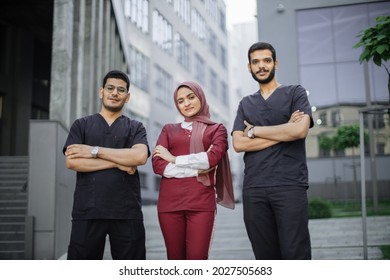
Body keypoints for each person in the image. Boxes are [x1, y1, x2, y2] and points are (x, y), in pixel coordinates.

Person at [231, 42, 313, 260]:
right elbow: (238, 144)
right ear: (249, 67)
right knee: (265, 257)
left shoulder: (295, 92)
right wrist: (285, 129)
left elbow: (300, 130)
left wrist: (255, 131)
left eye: (266, 60)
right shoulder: (246, 103)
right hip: (254, 188)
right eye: (255, 62)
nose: (261, 66)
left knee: (295, 252)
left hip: (289, 185)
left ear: (275, 63)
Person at [63, 70, 150, 260]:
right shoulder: (81, 125)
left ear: (127, 97)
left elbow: (140, 157)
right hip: (88, 211)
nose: (115, 93)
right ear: (101, 91)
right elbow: (72, 161)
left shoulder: (136, 127)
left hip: (127, 212)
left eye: (121, 90)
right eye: (110, 88)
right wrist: (119, 162)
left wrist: (94, 151)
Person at [152, 81, 234, 260]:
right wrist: (197, 171)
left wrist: (174, 159)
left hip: (201, 205)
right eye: (180, 101)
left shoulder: (216, 129)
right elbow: (158, 164)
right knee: (175, 259)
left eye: (191, 97)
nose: (186, 103)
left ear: (201, 98)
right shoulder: (168, 129)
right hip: (169, 205)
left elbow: (211, 159)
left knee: (197, 259)